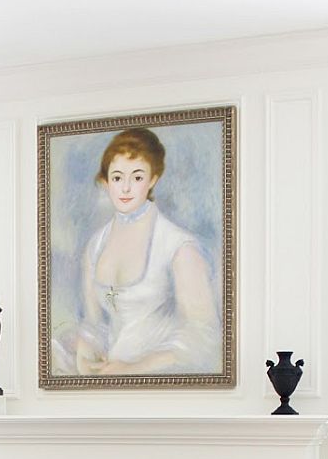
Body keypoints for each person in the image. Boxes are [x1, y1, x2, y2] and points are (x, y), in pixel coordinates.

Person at [68, 127, 222, 377]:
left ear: (153, 179)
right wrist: (86, 351)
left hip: (162, 384)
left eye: (137, 177)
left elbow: (203, 338)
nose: (126, 188)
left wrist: (134, 369)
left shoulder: (179, 247)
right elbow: (95, 324)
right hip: (105, 385)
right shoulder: (95, 246)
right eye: (117, 178)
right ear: (105, 182)